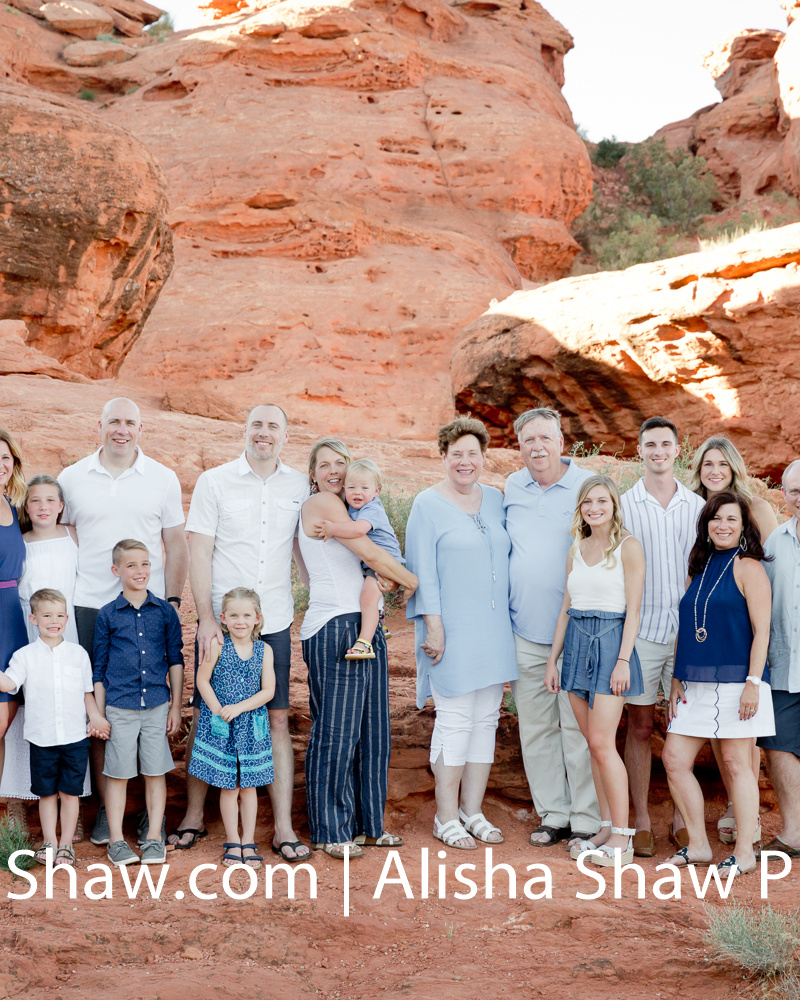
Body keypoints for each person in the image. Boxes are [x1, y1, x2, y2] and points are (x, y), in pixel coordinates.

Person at [171, 404, 310, 862]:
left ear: (285, 436)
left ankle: (283, 827)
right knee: (206, 714)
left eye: (273, 426)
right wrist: (207, 619)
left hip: (274, 619)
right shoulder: (215, 481)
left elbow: (301, 548)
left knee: (274, 717)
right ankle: (194, 815)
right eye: (257, 425)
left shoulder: (297, 485)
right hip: (224, 623)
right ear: (245, 430)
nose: (264, 433)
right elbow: (200, 550)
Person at [58, 398, 188, 846]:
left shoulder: (162, 478)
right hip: (90, 606)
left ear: (140, 428)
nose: (122, 429)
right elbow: (63, 536)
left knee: (149, 708)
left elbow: (175, 541)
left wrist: (170, 601)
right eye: (114, 420)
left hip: (148, 608)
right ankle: (104, 812)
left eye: (130, 422)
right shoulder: (72, 478)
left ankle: (146, 816)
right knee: (102, 710)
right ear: (99, 423)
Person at [298, 438, 418, 860]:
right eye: (324, 464)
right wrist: (411, 582)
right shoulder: (321, 506)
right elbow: (370, 552)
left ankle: (369, 826)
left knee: (373, 731)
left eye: (340, 464)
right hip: (335, 626)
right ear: (312, 473)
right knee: (338, 732)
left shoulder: (353, 507)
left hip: (366, 624)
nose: (333, 470)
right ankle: (331, 830)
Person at [406, 418, 518, 850]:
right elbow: (421, 569)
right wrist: (433, 626)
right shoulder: (427, 504)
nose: (465, 462)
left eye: (473, 454)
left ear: (484, 457)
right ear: (443, 457)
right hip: (449, 631)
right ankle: (445, 816)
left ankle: (472, 810)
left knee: (486, 721)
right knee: (454, 720)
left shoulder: (495, 499)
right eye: (457, 455)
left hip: (495, 630)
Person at [663, 491, 774, 877]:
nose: (722, 525)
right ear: (706, 526)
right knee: (674, 760)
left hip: (737, 682)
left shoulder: (750, 568)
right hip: (694, 682)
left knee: (736, 763)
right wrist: (677, 677)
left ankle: (745, 851)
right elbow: (687, 629)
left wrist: (753, 683)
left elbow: (762, 633)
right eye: (715, 519)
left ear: (743, 526)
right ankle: (697, 846)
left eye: (731, 519)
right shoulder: (701, 564)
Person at [503, 407, 600, 847]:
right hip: (525, 630)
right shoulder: (512, 486)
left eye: (544, 438)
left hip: (578, 632)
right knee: (536, 727)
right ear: (519, 446)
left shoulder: (587, 487)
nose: (536, 447)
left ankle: (585, 815)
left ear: (562, 442)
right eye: (528, 440)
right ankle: (553, 813)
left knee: (577, 727)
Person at [545, 475, 645, 866]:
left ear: (614, 505)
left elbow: (634, 610)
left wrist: (622, 660)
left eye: (602, 501)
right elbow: (566, 609)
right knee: (592, 744)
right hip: (576, 645)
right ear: (581, 508)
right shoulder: (576, 547)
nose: (594, 508)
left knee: (603, 743)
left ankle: (622, 840)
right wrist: (553, 659)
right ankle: (605, 827)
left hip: (610, 644)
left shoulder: (629, 547)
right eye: (588, 502)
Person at [620, 416, 705, 856]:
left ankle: (680, 817)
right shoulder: (623, 504)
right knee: (638, 725)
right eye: (650, 444)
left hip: (689, 634)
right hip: (640, 633)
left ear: (677, 450)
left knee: (683, 725)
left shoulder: (695, 506)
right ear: (640, 450)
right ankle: (639, 819)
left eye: (665, 444)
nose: (658, 451)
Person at [688, 435, 778, 845]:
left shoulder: (754, 508)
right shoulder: (696, 509)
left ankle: (746, 820)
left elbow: (767, 571)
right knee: (717, 733)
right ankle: (732, 807)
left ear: (735, 468)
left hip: (747, 638)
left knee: (743, 740)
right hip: (710, 645)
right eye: (707, 463)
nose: (714, 471)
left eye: (722, 463)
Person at [0, 589, 109, 866]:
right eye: (47, 615)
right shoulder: (24, 656)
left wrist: (95, 716)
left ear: (67, 618)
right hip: (42, 738)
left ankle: (65, 846)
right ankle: (49, 842)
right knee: (47, 793)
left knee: (70, 793)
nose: (54, 620)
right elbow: (10, 684)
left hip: (74, 737)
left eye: (60, 615)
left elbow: (87, 692)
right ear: (33, 618)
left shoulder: (78, 654)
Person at [92, 539, 184, 866]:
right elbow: (99, 669)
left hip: (158, 704)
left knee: (155, 771)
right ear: (116, 570)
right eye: (131, 565)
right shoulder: (107, 615)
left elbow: (175, 659)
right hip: (120, 705)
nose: (140, 571)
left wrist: (175, 706)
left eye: (145, 563)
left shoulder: (164, 613)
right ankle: (116, 840)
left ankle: (155, 838)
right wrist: (100, 715)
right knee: (117, 774)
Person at [189, 588, 275, 869]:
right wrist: (218, 711)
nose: (240, 621)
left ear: (257, 618)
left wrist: (239, 708)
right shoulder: (217, 645)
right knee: (229, 787)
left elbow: (269, 691)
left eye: (247, 615)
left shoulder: (265, 650)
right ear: (223, 618)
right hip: (222, 724)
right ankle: (232, 841)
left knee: (248, 787)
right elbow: (203, 681)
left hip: (251, 725)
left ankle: (249, 840)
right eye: (234, 615)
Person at [316, 458, 404, 660]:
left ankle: (364, 643)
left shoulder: (372, 508)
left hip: (385, 561)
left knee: (367, 598)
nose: (357, 492)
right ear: (344, 488)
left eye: (364, 487)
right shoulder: (352, 507)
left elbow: (359, 530)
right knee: (369, 595)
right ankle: (378, 623)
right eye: (352, 487)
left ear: (377, 491)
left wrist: (332, 529)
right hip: (373, 562)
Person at [757, 460, 800, 857]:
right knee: (779, 746)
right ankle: (792, 833)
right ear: (784, 496)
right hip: (785, 664)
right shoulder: (775, 542)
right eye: (794, 491)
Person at [0, 429, 28, 804]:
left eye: (5, 458)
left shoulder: (12, 505)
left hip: (12, 620)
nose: (0, 465)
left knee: (4, 727)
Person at [19, 476, 79, 642]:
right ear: (26, 506)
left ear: (61, 506)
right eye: (35, 500)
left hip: (65, 619)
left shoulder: (73, 535)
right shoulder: (20, 543)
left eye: (50, 500)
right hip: (31, 622)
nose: (43, 507)